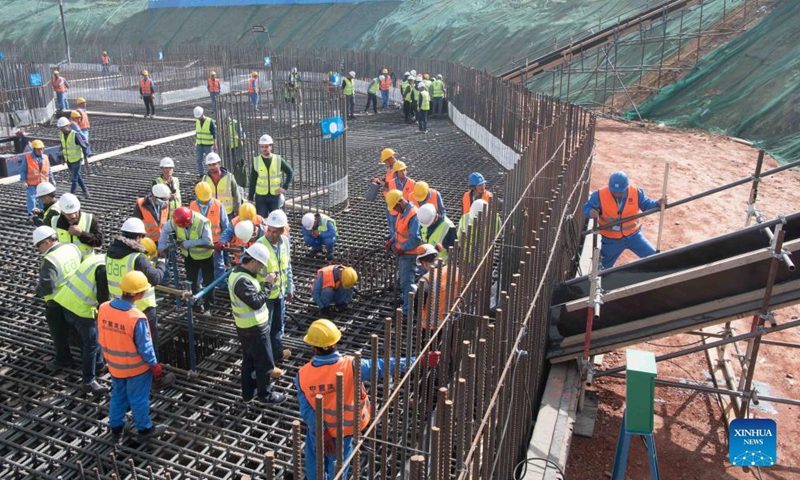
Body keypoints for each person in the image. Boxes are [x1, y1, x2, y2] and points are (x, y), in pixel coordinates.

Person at [296, 319, 438, 480]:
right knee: (338, 468)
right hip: (345, 433)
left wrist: (323, 433)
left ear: (313, 347)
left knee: (315, 465)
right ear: (335, 343)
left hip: (318, 432)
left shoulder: (302, 375)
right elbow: (385, 366)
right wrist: (420, 361)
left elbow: (306, 409)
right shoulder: (351, 365)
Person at [98, 271, 174, 445]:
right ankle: (144, 429)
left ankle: (116, 428)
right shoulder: (136, 318)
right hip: (136, 368)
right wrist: (155, 367)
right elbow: (146, 348)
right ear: (139, 294)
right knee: (138, 399)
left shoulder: (104, 307)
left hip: (115, 366)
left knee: (118, 396)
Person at [228, 243, 289, 403]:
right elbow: (256, 302)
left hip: (247, 328)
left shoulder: (239, 274)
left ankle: (248, 393)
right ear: (253, 261)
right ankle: (266, 394)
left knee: (249, 361)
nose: (261, 269)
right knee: (264, 363)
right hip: (254, 329)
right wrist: (268, 284)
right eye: (261, 265)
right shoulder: (242, 280)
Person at [107, 218, 167, 356]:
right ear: (138, 237)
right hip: (141, 308)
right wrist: (161, 263)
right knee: (149, 343)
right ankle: (154, 374)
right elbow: (156, 278)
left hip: (117, 306)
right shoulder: (137, 258)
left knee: (128, 343)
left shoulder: (109, 254)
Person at [53, 251, 109, 395]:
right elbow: (103, 299)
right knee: (92, 342)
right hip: (80, 308)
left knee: (88, 341)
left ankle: (98, 366)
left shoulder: (98, 258)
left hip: (66, 301)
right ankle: (88, 381)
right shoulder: (103, 268)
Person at [583, 171, 663, 269]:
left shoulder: (636, 193)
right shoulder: (599, 195)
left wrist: (658, 204)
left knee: (654, 257)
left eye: (620, 191)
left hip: (634, 236)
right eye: (614, 191)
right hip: (611, 240)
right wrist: (590, 212)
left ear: (627, 187)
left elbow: (647, 204)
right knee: (603, 269)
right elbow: (587, 208)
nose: (617, 194)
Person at [33, 225, 82, 372]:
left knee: (58, 333)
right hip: (77, 296)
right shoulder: (72, 248)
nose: (38, 250)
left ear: (46, 242)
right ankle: (88, 357)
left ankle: (63, 360)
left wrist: (37, 290)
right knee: (79, 329)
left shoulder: (50, 260)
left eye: (38, 246)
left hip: (56, 302)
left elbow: (47, 286)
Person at [256, 210, 294, 367]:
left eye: (275, 231)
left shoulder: (285, 241)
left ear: (282, 230)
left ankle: (277, 353)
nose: (271, 234)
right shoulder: (260, 245)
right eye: (269, 230)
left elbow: (287, 265)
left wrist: (290, 286)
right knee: (266, 328)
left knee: (278, 326)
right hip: (265, 296)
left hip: (279, 293)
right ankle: (266, 361)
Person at [158, 207, 214, 311]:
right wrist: (161, 246)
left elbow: (208, 239)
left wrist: (188, 243)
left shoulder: (202, 222)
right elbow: (165, 230)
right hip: (189, 256)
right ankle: (197, 305)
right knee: (192, 282)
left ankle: (208, 307)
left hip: (205, 257)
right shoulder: (176, 220)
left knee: (209, 282)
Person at [385, 190, 422, 317]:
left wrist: (403, 248)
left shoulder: (413, 215)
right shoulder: (402, 213)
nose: (394, 210)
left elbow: (416, 239)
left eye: (395, 207)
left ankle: (407, 312)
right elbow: (399, 231)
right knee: (404, 281)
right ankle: (406, 300)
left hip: (409, 255)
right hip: (402, 253)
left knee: (407, 283)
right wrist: (392, 241)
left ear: (400, 202)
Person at [190, 181, 230, 286]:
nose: (205, 202)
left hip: (216, 243)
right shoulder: (192, 206)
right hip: (200, 243)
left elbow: (225, 225)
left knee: (219, 265)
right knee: (198, 265)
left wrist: (224, 240)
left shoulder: (218, 204)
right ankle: (198, 286)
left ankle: (221, 284)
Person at [249, 134, 294, 218]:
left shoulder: (278, 159)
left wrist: (284, 187)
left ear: (271, 147)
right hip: (260, 197)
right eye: (262, 147)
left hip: (275, 196)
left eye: (266, 146)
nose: (264, 149)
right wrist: (250, 198)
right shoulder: (256, 161)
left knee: (276, 219)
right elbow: (252, 180)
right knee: (261, 220)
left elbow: (290, 172)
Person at [416, 244, 459, 330]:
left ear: (424, 263)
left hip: (431, 326)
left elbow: (418, 305)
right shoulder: (455, 270)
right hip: (452, 320)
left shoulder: (426, 279)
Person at [52, 193, 103, 259]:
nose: (73, 216)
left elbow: (99, 242)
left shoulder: (89, 219)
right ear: (62, 212)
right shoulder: (54, 221)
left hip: (86, 266)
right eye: (69, 214)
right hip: (66, 266)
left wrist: (81, 233)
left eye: (75, 212)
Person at [57, 117, 91, 197]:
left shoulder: (75, 135)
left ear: (67, 126)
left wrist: (86, 159)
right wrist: (62, 158)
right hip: (69, 160)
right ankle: (85, 192)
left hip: (77, 160)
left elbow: (84, 147)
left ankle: (71, 196)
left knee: (74, 178)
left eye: (62, 127)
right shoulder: (61, 134)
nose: (61, 129)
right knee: (77, 176)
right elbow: (63, 146)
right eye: (60, 128)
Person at [202, 152, 241, 220]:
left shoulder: (230, 177)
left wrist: (237, 212)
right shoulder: (204, 179)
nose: (211, 167)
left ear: (219, 164)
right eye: (209, 165)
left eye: (214, 164)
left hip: (228, 214)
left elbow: (237, 196)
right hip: (211, 213)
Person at [20, 139, 54, 217]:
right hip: (32, 184)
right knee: (32, 199)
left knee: (43, 200)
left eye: (42, 149)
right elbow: (22, 170)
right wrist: (23, 181)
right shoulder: (28, 157)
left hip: (43, 183)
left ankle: (41, 214)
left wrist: (52, 179)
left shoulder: (45, 157)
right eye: (39, 149)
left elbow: (48, 169)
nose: (41, 151)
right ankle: (31, 215)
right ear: (34, 149)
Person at [194, 106, 217, 177]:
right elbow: (197, 132)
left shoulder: (210, 121)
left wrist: (215, 144)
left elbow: (214, 134)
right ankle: (201, 174)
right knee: (198, 160)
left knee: (210, 161)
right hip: (199, 144)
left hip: (208, 145)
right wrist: (195, 141)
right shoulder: (197, 121)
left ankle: (211, 174)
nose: (198, 118)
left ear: (202, 114)